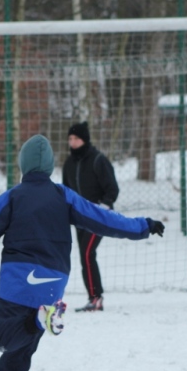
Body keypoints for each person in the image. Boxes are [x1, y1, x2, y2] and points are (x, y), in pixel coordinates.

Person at [0, 134, 165, 371]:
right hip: (52, 281)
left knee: (4, 339)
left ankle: (38, 322)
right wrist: (143, 226)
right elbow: (104, 219)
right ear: (50, 167)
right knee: (26, 342)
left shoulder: (11, 197)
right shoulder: (64, 196)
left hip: (18, 279)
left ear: (23, 165)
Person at [62, 121, 119, 312]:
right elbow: (66, 191)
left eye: (76, 138)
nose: (72, 142)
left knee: (87, 253)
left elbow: (112, 188)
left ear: (84, 140)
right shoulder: (68, 164)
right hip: (79, 218)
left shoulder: (98, 160)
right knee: (84, 256)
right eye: (70, 138)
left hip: (97, 217)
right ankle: (94, 298)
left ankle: (96, 298)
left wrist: (102, 207)